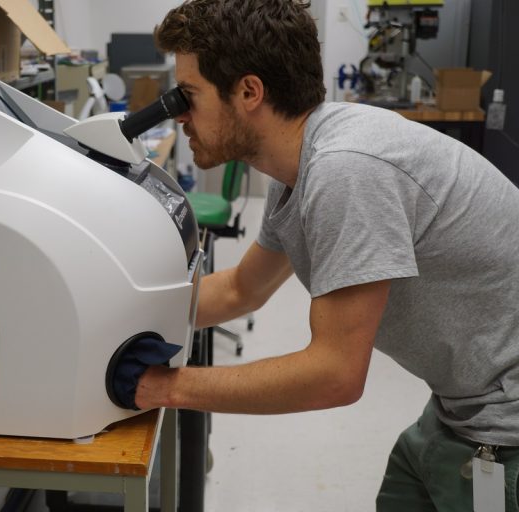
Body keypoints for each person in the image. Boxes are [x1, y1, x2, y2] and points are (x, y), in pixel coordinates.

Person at [132, 0, 519, 510]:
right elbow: (242, 289)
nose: (179, 114)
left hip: (503, 429)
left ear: (249, 92)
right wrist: (122, 315)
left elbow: (334, 374)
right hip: (459, 406)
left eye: (190, 95)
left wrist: (163, 387)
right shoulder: (300, 162)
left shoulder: (345, 170)